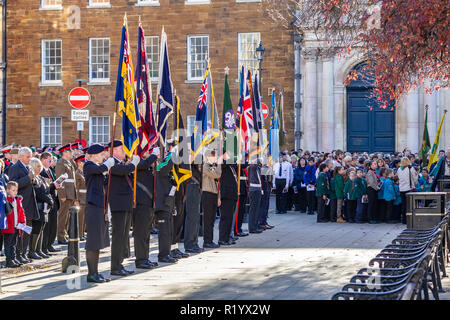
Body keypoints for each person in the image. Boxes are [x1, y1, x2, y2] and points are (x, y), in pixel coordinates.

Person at [107, 140, 139, 276]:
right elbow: (125, 171)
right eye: (121, 149)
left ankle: (119, 264)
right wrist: (134, 163)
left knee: (124, 236)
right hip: (118, 204)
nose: (124, 152)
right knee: (118, 236)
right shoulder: (111, 163)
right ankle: (115, 266)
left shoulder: (120, 163)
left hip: (124, 203)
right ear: (113, 151)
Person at [83, 144, 114, 283]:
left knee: (98, 241)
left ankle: (95, 272)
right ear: (94, 155)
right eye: (101, 154)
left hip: (100, 206)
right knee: (93, 241)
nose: (103, 157)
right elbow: (100, 169)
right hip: (93, 206)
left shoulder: (97, 168)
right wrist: (108, 164)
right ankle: (91, 273)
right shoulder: (88, 165)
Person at [8, 147, 40, 264]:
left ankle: (24, 254)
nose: (30, 158)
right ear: (20, 156)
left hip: (30, 203)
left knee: (27, 230)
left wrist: (34, 179)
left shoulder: (28, 167)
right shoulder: (14, 168)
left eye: (30, 156)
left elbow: (34, 184)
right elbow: (13, 185)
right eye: (27, 156)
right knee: (20, 231)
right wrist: (28, 178)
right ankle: (18, 254)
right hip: (21, 204)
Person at [133, 147, 159, 269]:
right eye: (148, 150)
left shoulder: (149, 164)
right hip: (140, 203)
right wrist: (154, 155)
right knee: (141, 233)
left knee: (147, 232)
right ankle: (140, 259)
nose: (149, 153)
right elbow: (144, 164)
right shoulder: (137, 162)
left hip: (148, 202)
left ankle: (145, 258)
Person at [29, 157, 55, 259]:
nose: (40, 168)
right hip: (38, 206)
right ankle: (32, 251)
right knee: (36, 229)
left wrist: (49, 198)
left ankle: (38, 250)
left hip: (44, 207)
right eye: (38, 166)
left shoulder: (40, 177)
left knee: (41, 229)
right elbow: (39, 193)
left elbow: (46, 190)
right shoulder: (34, 178)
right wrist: (49, 200)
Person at [155, 147, 177, 263]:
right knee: (164, 232)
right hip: (161, 203)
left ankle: (167, 253)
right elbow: (165, 168)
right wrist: (172, 154)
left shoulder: (161, 165)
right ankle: (163, 255)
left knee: (169, 230)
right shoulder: (158, 167)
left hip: (167, 202)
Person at [55, 144, 79, 244]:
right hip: (66, 193)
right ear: (64, 153)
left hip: (71, 193)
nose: (71, 153)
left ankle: (64, 234)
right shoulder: (61, 163)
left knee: (68, 216)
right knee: (63, 216)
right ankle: (60, 236)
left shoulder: (68, 163)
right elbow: (59, 180)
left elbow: (75, 169)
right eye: (69, 151)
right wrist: (62, 194)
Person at [40, 151, 60, 254]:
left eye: (51, 160)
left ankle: (50, 245)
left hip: (54, 200)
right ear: (43, 160)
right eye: (49, 160)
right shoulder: (41, 171)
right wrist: (53, 185)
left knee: (53, 225)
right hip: (47, 201)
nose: (51, 161)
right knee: (47, 227)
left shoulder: (50, 170)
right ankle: (44, 247)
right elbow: (44, 187)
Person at [2, 181, 26, 268]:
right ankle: (9, 260)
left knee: (14, 244)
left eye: (16, 190)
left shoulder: (17, 200)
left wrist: (23, 221)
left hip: (16, 226)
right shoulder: (5, 200)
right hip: (9, 227)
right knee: (8, 244)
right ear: (7, 190)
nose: (15, 192)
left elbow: (21, 212)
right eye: (13, 190)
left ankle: (13, 258)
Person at [202, 150, 222, 248]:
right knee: (208, 219)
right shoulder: (205, 167)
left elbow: (218, 183)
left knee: (212, 219)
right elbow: (217, 175)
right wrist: (219, 164)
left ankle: (210, 240)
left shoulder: (212, 167)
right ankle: (207, 241)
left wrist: (218, 197)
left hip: (214, 194)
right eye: (212, 157)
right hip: (207, 194)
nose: (214, 158)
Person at [183, 163, 204, 253]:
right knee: (192, 216)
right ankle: (189, 243)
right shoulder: (186, 152)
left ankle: (194, 242)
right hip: (190, 184)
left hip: (196, 185)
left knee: (195, 217)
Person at [219, 152, 238, 245]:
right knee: (225, 218)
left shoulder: (231, 167)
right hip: (226, 195)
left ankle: (227, 237)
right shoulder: (222, 164)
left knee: (229, 218)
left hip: (231, 195)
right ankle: (222, 238)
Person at [397, 157, 418, 224]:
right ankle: (409, 219)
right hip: (408, 188)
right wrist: (414, 184)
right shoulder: (410, 168)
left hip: (401, 189)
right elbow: (415, 178)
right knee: (409, 205)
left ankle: (404, 220)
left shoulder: (399, 169)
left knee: (403, 205)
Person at [247, 160, 263, 234]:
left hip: (258, 189)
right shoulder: (252, 167)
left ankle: (255, 226)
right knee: (253, 209)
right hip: (253, 190)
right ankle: (252, 227)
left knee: (256, 209)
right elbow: (254, 165)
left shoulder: (258, 168)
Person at [74, 155, 86, 241]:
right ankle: (79, 234)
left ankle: (82, 233)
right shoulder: (77, 174)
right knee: (80, 218)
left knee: (83, 218)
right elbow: (76, 188)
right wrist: (76, 199)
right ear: (79, 163)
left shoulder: (82, 172)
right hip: (80, 198)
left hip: (85, 197)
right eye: (83, 162)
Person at [366, 160, 380, 224]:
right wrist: (377, 188)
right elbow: (371, 183)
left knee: (374, 204)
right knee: (371, 204)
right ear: (371, 165)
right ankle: (369, 218)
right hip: (371, 189)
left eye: (375, 164)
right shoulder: (370, 172)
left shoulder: (374, 171)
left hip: (374, 189)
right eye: (374, 164)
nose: (375, 165)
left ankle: (374, 217)